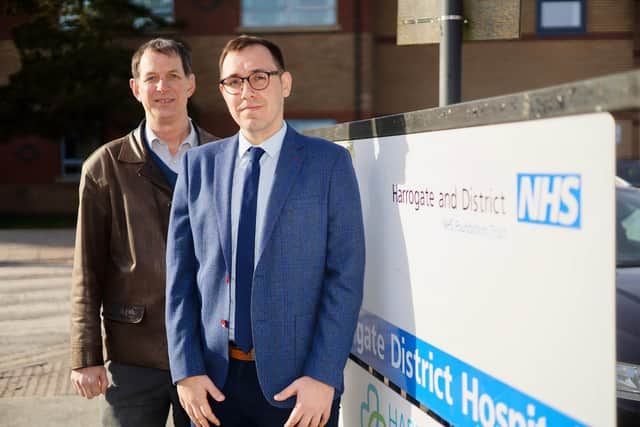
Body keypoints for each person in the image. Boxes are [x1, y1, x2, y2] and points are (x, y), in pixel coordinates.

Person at [165, 35, 366, 427]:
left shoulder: (329, 165)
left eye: (260, 77)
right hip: (212, 386)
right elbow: (179, 279)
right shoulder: (198, 167)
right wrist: (186, 371)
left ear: (285, 83)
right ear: (223, 92)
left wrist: (323, 376)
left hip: (299, 390)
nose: (247, 91)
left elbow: (344, 277)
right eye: (234, 82)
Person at [69, 38, 216, 427]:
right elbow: (87, 270)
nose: (162, 87)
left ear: (191, 84)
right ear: (136, 88)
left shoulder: (224, 157)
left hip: (208, 355)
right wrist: (86, 356)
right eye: (151, 78)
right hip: (134, 357)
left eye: (172, 76)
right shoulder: (104, 166)